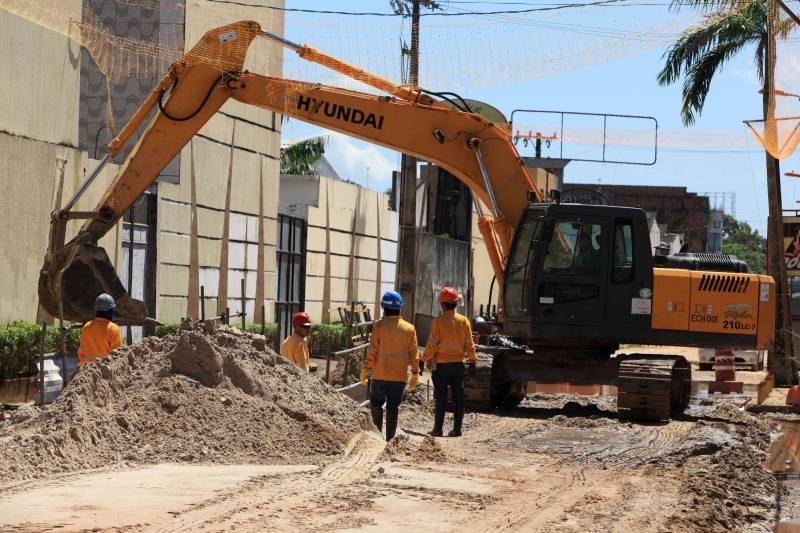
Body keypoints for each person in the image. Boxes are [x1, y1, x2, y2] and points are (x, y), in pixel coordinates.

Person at [360, 291, 419, 441]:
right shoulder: (409, 328)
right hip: (398, 377)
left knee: (376, 406)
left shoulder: (379, 326)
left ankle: (377, 437)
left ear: (384, 308)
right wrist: (415, 372)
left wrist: (366, 368)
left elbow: (372, 350)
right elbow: (414, 352)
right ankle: (390, 440)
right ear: (400, 308)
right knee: (393, 408)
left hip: (380, 376)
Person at [421, 287, 477, 437]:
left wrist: (423, 359)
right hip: (458, 366)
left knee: (441, 398)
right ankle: (457, 430)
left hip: (441, 367)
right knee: (459, 398)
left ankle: (437, 429)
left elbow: (432, 344)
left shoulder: (438, 321)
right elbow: (469, 344)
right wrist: (472, 361)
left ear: (443, 305)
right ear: (455, 304)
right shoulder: (464, 321)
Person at [77, 293, 124, 365]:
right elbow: (118, 355)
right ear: (110, 311)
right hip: (103, 371)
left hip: (85, 370)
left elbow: (81, 351)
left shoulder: (86, 326)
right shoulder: (113, 328)